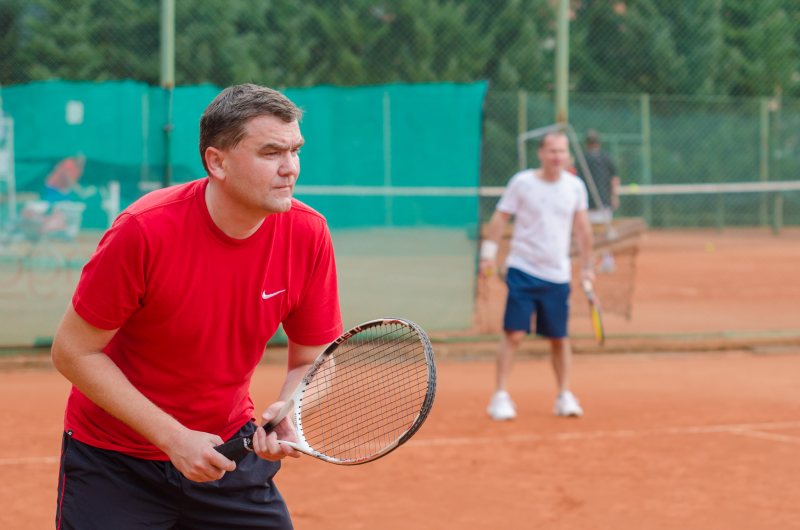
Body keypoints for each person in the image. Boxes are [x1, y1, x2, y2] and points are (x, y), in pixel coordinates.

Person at [51, 84, 343, 529]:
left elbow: (311, 359)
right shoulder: (144, 231)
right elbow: (73, 351)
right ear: (217, 162)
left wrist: (291, 407)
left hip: (228, 456)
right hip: (115, 463)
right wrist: (174, 439)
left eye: (295, 150)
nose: (290, 169)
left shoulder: (308, 234)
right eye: (270, 153)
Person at [480, 131, 594, 421]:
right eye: (552, 151)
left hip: (558, 273)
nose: (557, 157)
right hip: (523, 268)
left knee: (559, 338)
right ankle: (500, 395)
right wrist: (488, 254)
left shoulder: (575, 187)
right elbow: (499, 218)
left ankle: (564, 395)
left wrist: (588, 265)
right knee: (514, 334)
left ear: (568, 155)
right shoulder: (522, 183)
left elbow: (582, 229)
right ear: (541, 153)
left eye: (562, 151)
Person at [580, 129, 620, 272]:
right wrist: (614, 196)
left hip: (586, 203)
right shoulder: (606, 158)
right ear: (599, 143)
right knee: (604, 232)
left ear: (586, 144)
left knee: (588, 233)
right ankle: (607, 260)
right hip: (603, 201)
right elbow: (614, 180)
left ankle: (590, 261)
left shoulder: (582, 159)